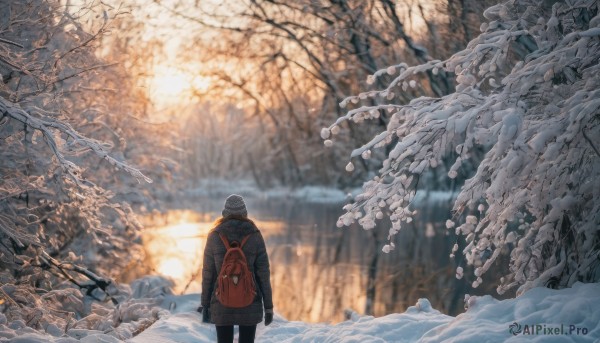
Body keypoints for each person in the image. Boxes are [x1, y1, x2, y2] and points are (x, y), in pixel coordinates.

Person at [200, 194, 274, 343]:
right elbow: (263, 274)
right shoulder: (254, 235)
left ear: (224, 213)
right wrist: (268, 307)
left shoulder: (214, 235)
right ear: (245, 213)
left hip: (221, 302)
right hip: (250, 302)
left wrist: (206, 305)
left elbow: (208, 273)